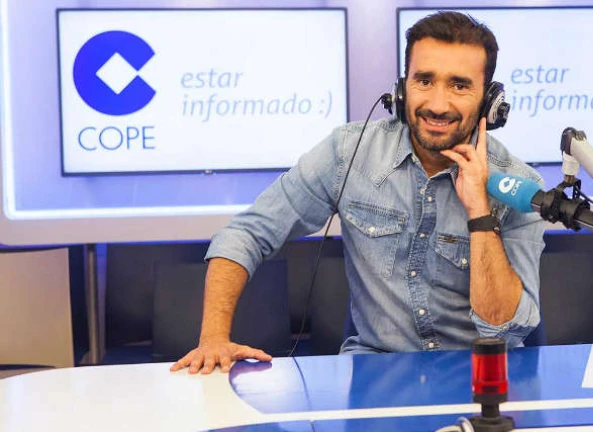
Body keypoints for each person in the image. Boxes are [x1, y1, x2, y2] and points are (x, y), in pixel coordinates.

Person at [171, 11, 545, 374]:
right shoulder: (349, 152)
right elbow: (246, 234)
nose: (437, 104)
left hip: (481, 373)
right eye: (424, 80)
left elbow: (505, 326)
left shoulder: (518, 187)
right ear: (402, 89)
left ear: (490, 102)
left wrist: (480, 212)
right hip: (376, 372)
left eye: (459, 86)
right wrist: (213, 339)